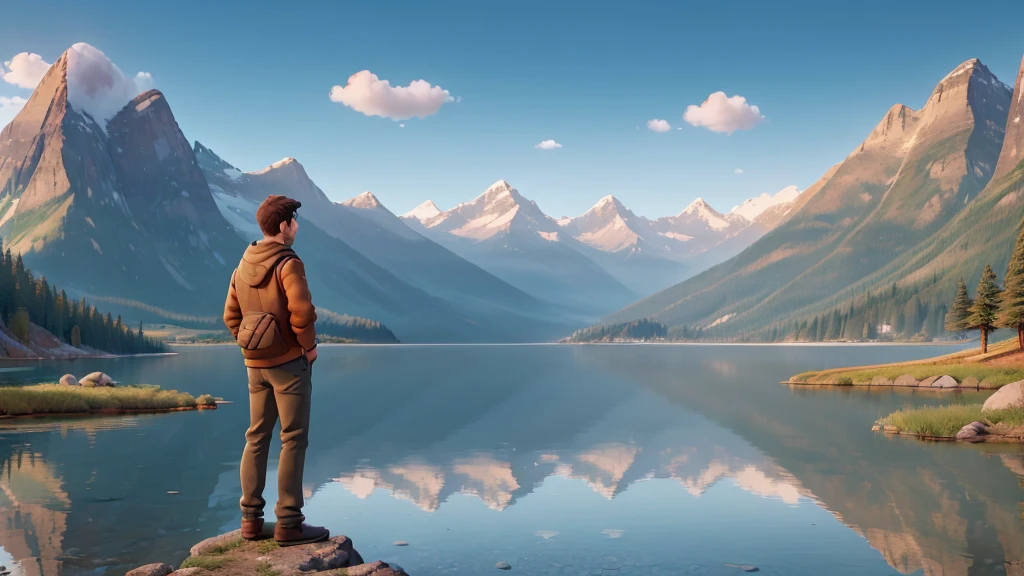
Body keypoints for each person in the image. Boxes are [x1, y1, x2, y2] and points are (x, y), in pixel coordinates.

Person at [223, 195, 329, 546]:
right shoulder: (288, 263)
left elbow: (231, 317)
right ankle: (289, 524)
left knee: (256, 438)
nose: (297, 226)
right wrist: (308, 347)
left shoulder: (241, 266)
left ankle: (250, 521)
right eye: (295, 221)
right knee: (293, 440)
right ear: (284, 226)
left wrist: (252, 345)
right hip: (289, 365)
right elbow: (302, 311)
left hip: (254, 366)